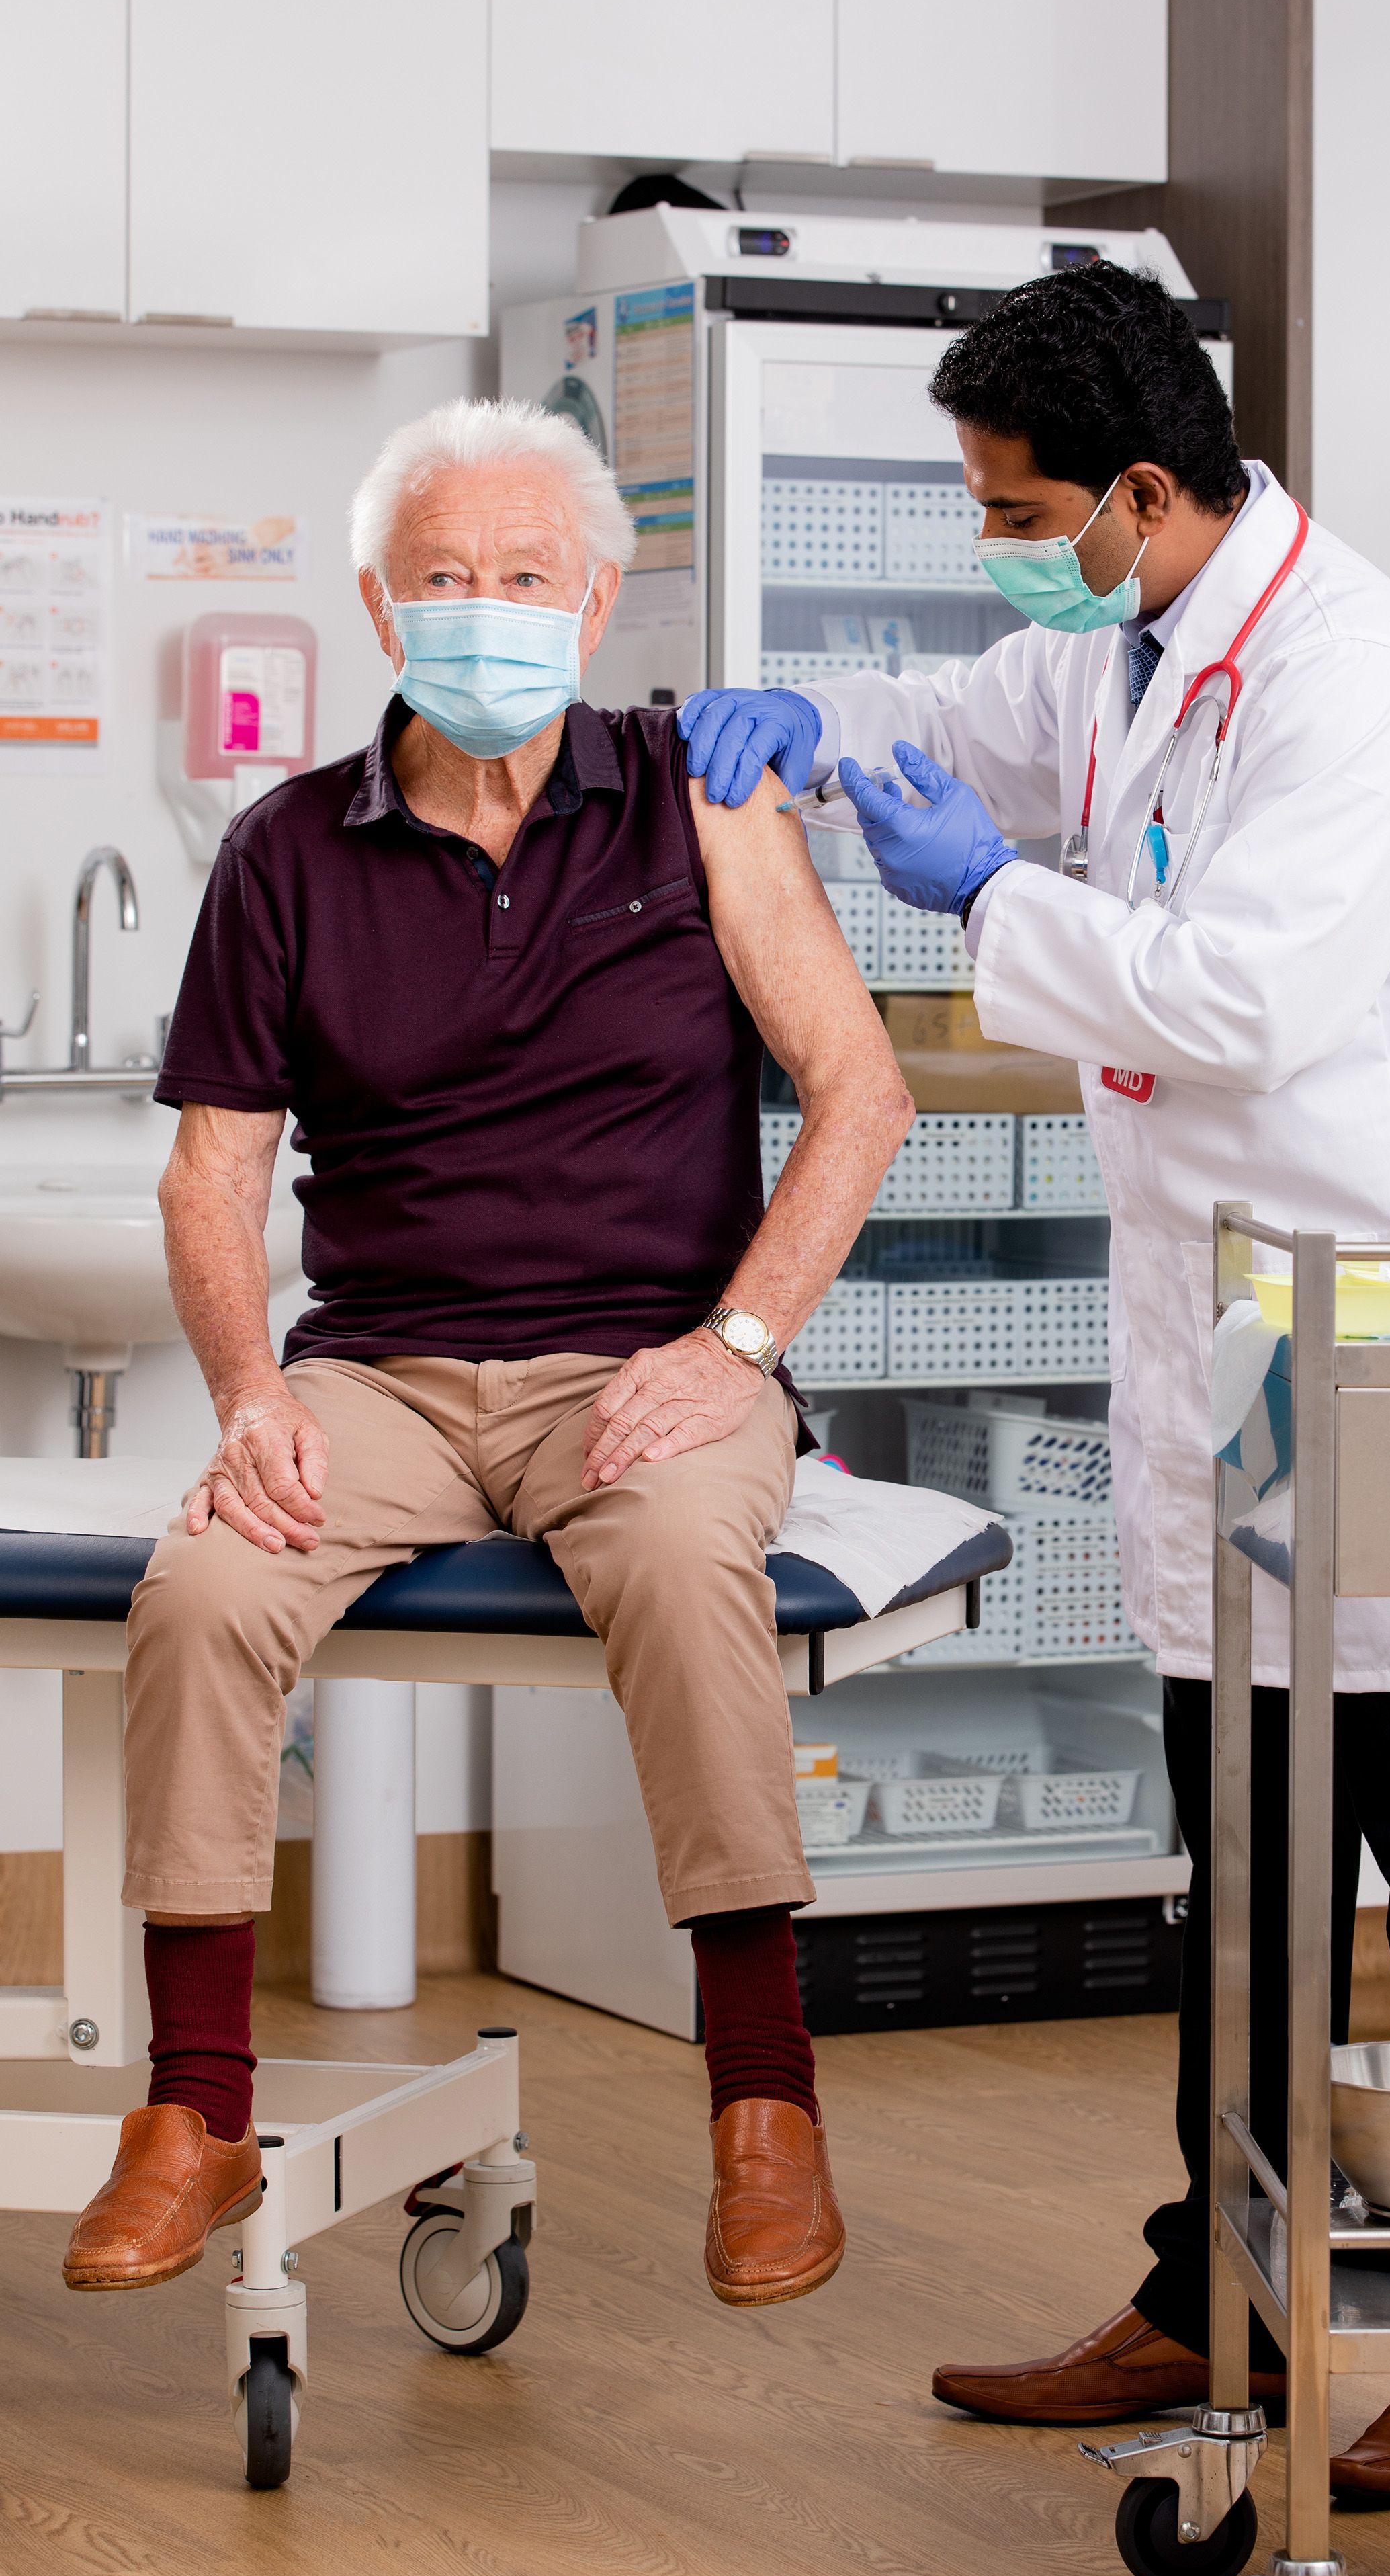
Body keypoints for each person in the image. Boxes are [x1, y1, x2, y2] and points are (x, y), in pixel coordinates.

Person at [679, 264, 1390, 2505]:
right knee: (1237, 1858)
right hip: (1220, 1331)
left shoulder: (1351, 672)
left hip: (1374, 1316)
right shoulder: (1131, 627)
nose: (997, 534)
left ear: (1145, 488)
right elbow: (964, 700)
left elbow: (1243, 995)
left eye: (1014, 503)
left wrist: (985, 898)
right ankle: (1222, 2289)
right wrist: (809, 710)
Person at [62, 397, 913, 2314]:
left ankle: (761, 2106)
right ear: (380, 608)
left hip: (646, 1362)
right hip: (381, 1373)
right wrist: (254, 1400)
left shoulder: (703, 797)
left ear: (597, 596)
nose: (484, 609)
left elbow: (859, 1094)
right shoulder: (288, 849)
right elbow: (213, 1176)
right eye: (443, 578)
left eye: (524, 576)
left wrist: (737, 1346)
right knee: (204, 1580)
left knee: (695, 1570)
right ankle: (192, 2110)